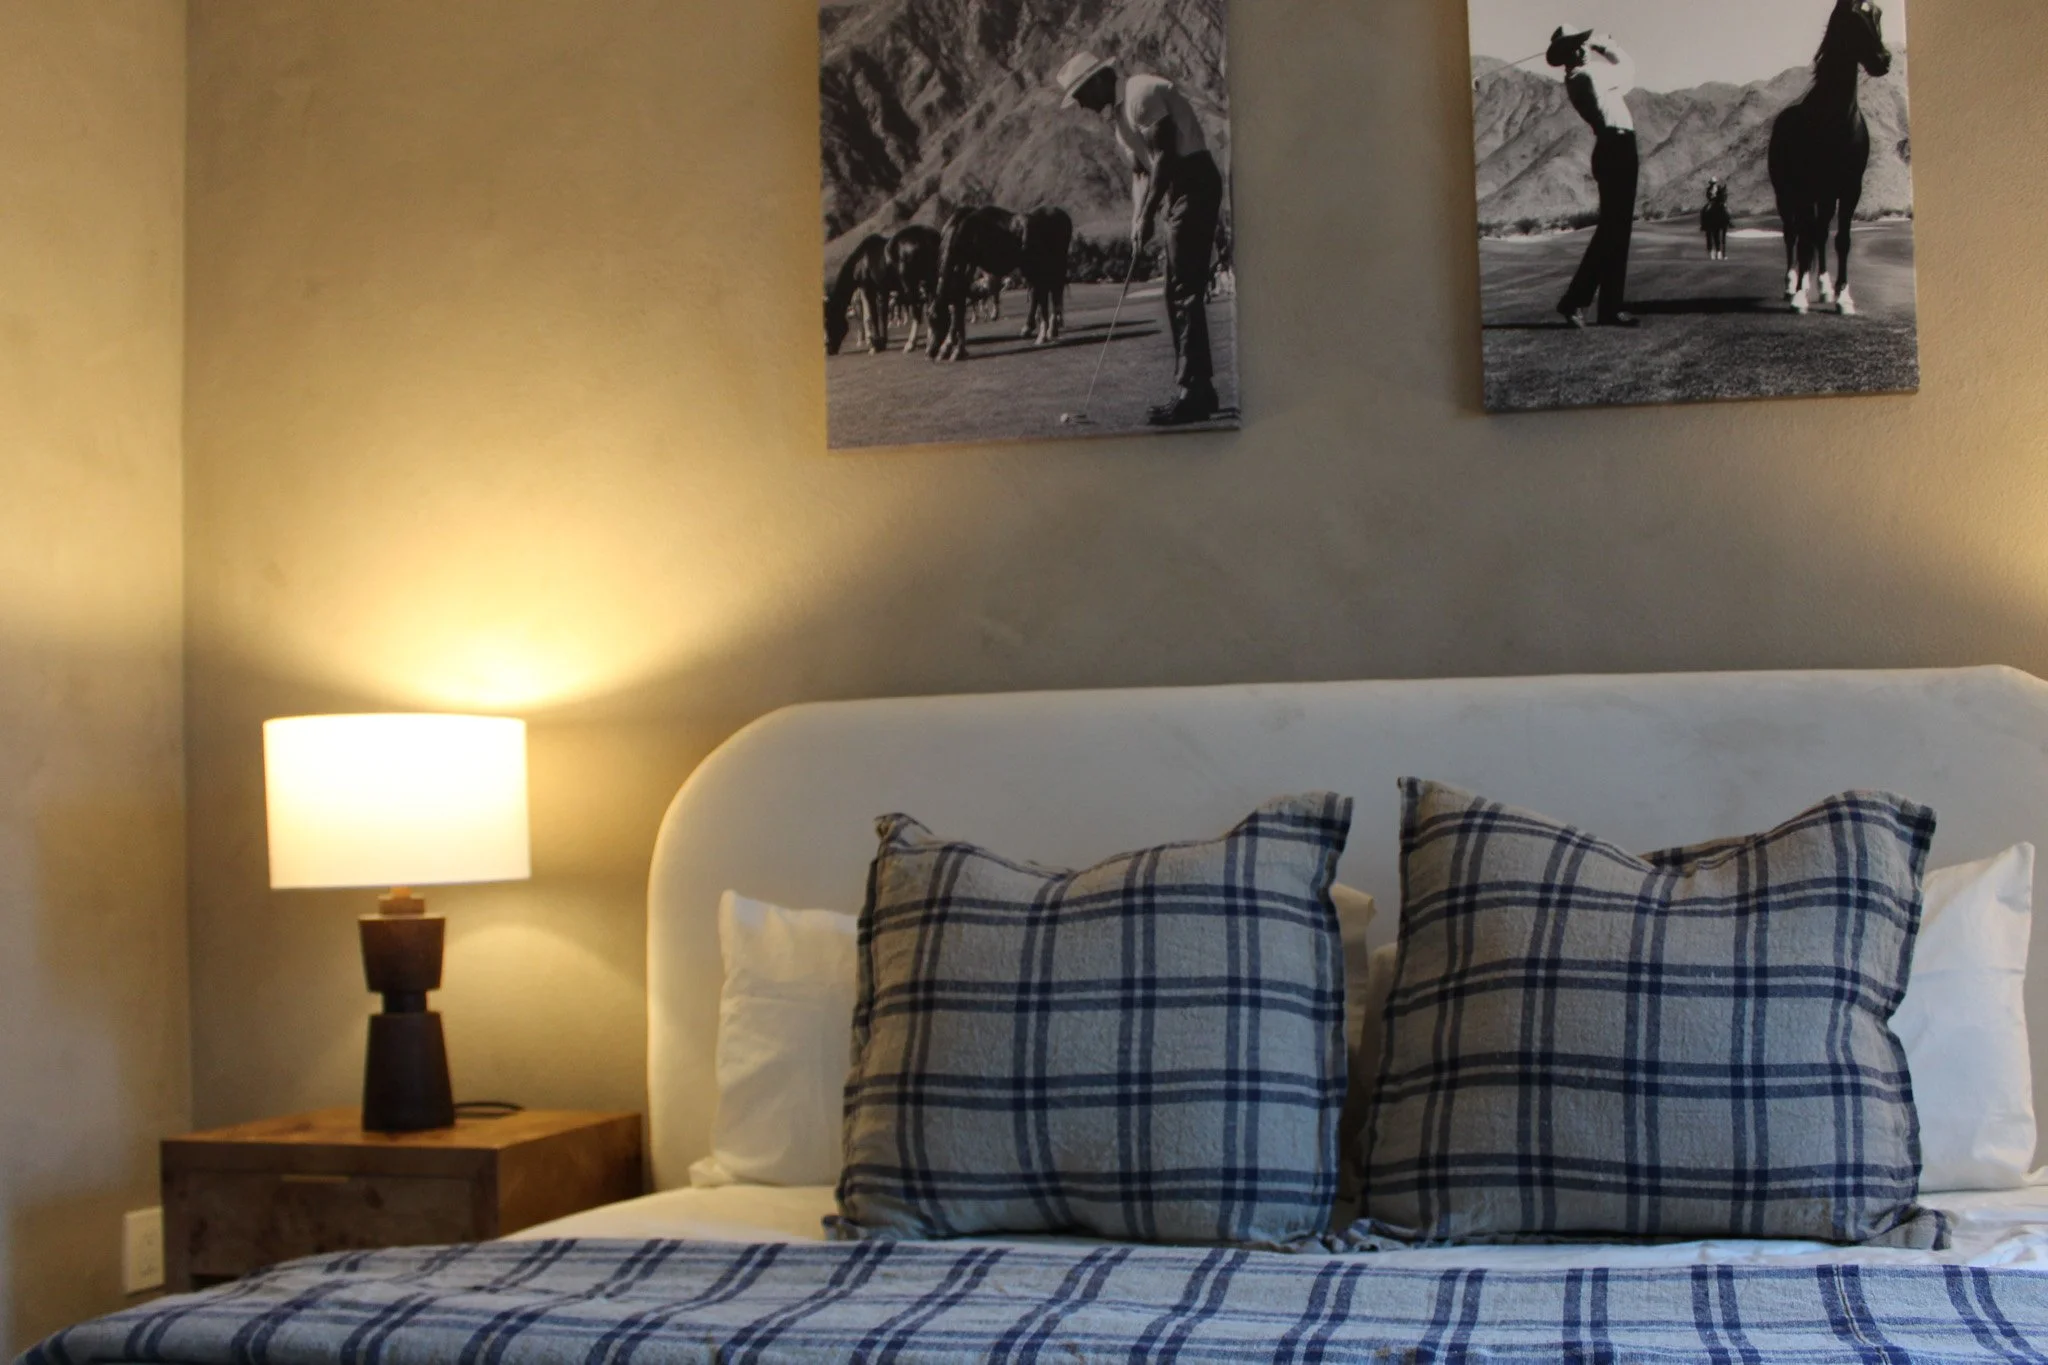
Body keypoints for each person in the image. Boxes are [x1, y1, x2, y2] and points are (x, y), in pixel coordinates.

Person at [1057, 51, 1224, 425]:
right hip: (1177, 190)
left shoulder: (1139, 94)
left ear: (1099, 80)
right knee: (1176, 289)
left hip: (1194, 182)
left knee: (1185, 288)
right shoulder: (1119, 120)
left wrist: (1149, 214)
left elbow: (1165, 156)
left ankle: (1193, 392)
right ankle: (1201, 389)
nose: (1081, 104)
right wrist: (1137, 220)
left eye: (1081, 94)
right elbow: (1140, 173)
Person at [1548, 24, 1639, 328]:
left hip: (1615, 146)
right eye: (1580, 44)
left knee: (1617, 229)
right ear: (1572, 52)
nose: (1584, 47)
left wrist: (1600, 47)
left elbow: (1624, 80)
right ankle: (1575, 300)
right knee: (1613, 230)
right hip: (1617, 146)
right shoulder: (1588, 75)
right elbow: (1628, 70)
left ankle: (1611, 308)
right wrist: (1608, 45)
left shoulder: (1583, 77)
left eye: (1584, 43)